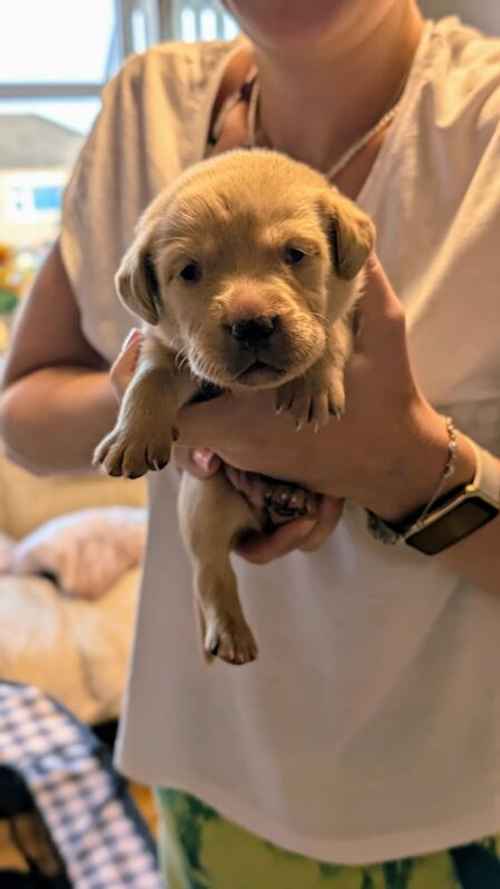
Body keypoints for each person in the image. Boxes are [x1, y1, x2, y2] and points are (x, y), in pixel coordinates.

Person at [2, 0, 500, 885]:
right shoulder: (142, 106)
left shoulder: (481, 126)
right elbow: (25, 409)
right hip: (213, 764)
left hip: (467, 793)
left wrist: (403, 464)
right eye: (193, 274)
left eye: (293, 257)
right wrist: (163, 403)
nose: (251, 306)